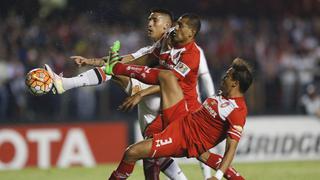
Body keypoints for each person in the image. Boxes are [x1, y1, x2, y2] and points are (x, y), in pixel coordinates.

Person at [103, 55, 253, 180]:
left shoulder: (237, 111)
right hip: (183, 118)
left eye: (227, 75)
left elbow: (231, 149)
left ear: (235, 83)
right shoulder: (222, 95)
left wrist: (218, 176)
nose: (223, 77)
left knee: (132, 153)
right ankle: (113, 68)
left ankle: (115, 69)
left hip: (183, 137)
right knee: (168, 78)